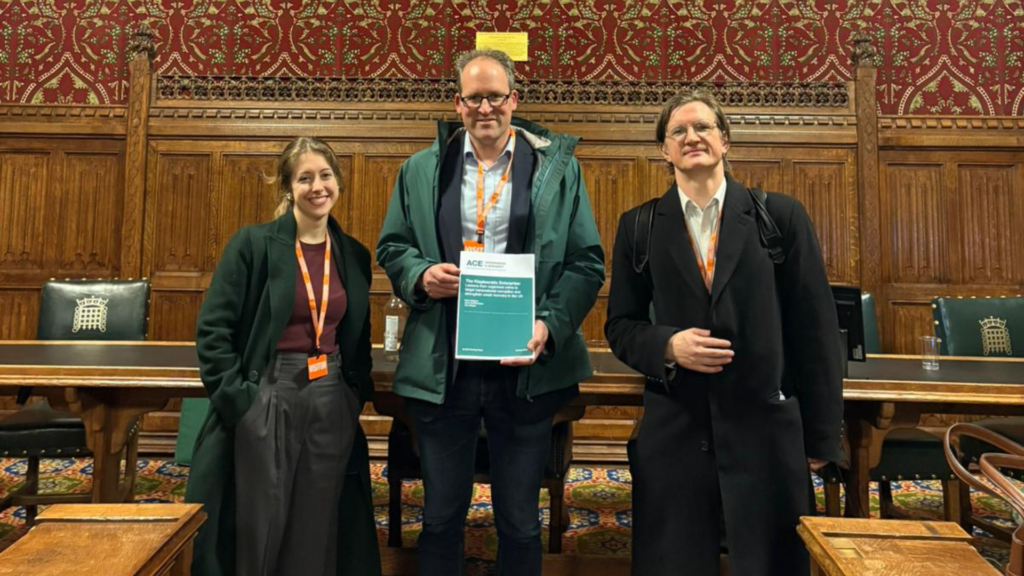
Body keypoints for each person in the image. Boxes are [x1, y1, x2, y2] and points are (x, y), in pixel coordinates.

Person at [376, 49, 605, 576]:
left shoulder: (556, 170)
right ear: (457, 104)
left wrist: (549, 323)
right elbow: (393, 246)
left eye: (495, 96)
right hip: (445, 367)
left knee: (521, 523)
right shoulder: (420, 169)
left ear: (513, 100)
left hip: (524, 366)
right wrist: (419, 275)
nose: (485, 106)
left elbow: (587, 262)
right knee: (439, 518)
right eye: (474, 97)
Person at [604, 89, 843, 576]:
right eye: (678, 131)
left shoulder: (779, 217)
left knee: (772, 563)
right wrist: (667, 344)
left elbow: (815, 334)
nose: (692, 137)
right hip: (677, 430)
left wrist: (820, 439)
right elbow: (621, 325)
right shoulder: (639, 227)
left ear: (725, 141)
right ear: (663, 150)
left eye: (703, 127)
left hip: (764, 429)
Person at [185, 136, 381, 576]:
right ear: (288, 187)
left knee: (318, 519)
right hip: (268, 392)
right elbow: (213, 330)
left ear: (339, 182)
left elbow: (357, 331)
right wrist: (240, 401)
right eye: (305, 178)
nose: (318, 187)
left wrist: (354, 391)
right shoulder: (252, 245)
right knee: (260, 518)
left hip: (330, 396)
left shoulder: (352, 253)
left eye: (326, 175)